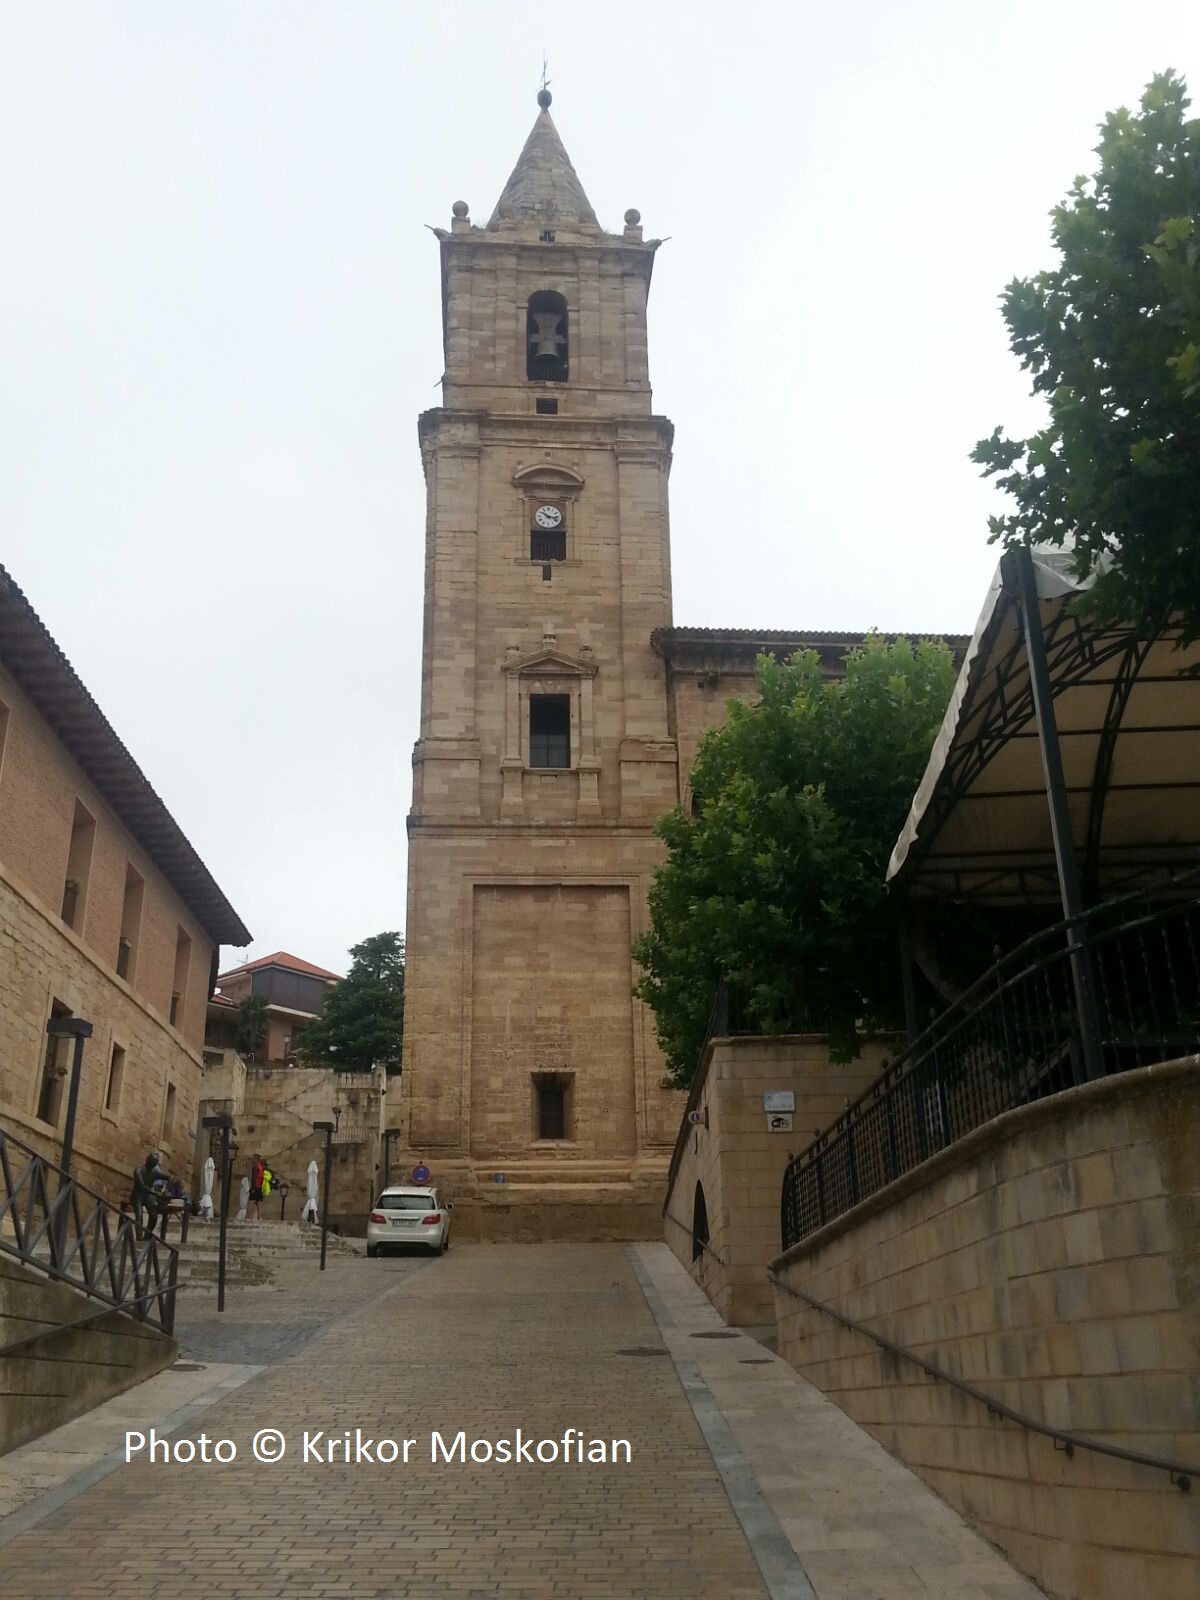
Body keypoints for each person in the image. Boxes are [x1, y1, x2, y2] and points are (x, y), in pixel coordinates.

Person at [130, 1151, 162, 1237]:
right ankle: (139, 1236)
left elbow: (168, 1177)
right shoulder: (138, 1170)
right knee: (139, 1215)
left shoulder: (154, 1172)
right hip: (137, 1195)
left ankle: (147, 1236)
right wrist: (155, 1193)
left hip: (147, 1196)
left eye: (155, 1163)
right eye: (153, 1162)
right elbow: (141, 1186)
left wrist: (167, 1188)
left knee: (153, 1215)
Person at [249, 1152, 264, 1222]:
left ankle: (248, 1218)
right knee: (259, 1203)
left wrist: (252, 1187)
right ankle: (259, 1217)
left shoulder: (255, 1167)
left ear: (255, 1159)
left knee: (251, 1202)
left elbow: (254, 1178)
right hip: (260, 1187)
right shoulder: (261, 1166)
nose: (252, 1160)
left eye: (253, 1158)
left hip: (255, 1187)